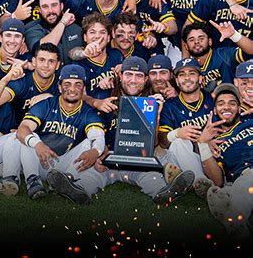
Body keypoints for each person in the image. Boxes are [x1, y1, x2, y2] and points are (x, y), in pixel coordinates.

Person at [46, 56, 195, 205]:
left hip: (139, 160)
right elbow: (85, 103)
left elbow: (155, 144)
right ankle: (78, 191)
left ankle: (165, 192)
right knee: (91, 175)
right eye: (129, 74)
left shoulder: (151, 102)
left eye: (139, 76)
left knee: (152, 176)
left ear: (145, 80)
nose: (133, 80)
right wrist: (96, 103)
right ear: (120, 75)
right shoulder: (107, 98)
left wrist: (155, 119)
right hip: (109, 159)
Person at [0, 64, 105, 201]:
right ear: (59, 87)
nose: (72, 89)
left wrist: (95, 151)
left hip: (65, 164)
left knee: (89, 144)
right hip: (40, 160)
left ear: (84, 88)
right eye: (67, 84)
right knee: (24, 136)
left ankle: (67, 182)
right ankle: (32, 181)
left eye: (78, 84)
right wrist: (38, 144)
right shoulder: (47, 104)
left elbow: (97, 135)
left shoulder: (88, 112)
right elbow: (23, 128)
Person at [197, 83, 253, 238]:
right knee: (244, 183)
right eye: (221, 104)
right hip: (246, 175)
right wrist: (202, 143)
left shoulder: (250, 121)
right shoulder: (215, 142)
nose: (226, 107)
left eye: (232, 103)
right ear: (215, 110)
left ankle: (230, 206)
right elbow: (217, 179)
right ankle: (236, 224)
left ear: (239, 107)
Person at [158, 58, 214, 189]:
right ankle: (200, 182)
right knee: (178, 142)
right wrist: (177, 133)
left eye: (192, 73)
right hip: (190, 154)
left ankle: (181, 176)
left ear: (200, 78)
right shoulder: (170, 106)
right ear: (177, 81)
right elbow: (162, 140)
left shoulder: (212, 98)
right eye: (182, 75)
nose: (187, 78)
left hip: (213, 150)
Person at [0, 43, 60, 125]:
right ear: (34, 61)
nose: (46, 65)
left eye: (51, 61)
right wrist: (6, 79)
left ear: (57, 65)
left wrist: (51, 99)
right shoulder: (22, 82)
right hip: (17, 131)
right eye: (41, 60)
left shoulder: (62, 82)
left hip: (48, 134)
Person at [182, 22, 250, 92]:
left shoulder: (223, 55)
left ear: (210, 41)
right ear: (186, 46)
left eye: (201, 38)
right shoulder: (187, 67)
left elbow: (251, 50)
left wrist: (234, 35)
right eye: (191, 40)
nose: (196, 42)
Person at [71, 12, 123, 99]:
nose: (97, 36)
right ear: (84, 37)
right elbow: (78, 97)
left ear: (108, 38)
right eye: (92, 32)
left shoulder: (116, 55)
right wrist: (97, 103)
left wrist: (123, 73)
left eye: (102, 32)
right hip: (92, 111)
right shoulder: (78, 65)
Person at [25, 0, 82, 64]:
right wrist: (62, 23)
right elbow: (43, 50)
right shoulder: (31, 29)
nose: (50, 11)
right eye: (45, 7)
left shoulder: (77, 24)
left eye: (54, 5)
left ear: (61, 6)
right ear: (39, 10)